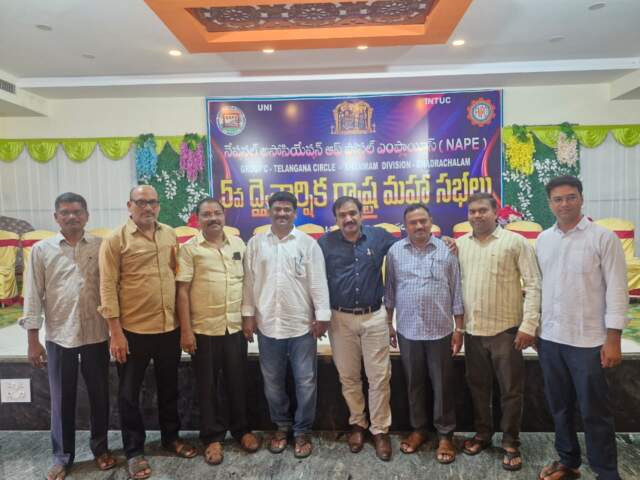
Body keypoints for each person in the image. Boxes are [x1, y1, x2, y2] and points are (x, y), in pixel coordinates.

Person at [99, 185, 196, 480]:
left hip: (168, 328)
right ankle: (134, 451)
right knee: (129, 394)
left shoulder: (169, 234)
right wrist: (115, 332)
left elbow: (175, 275)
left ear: (159, 206)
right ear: (129, 205)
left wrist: (184, 326)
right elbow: (107, 286)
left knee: (169, 388)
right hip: (133, 331)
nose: (147, 207)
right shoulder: (115, 240)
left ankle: (171, 438)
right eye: (141, 202)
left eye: (152, 202)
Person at [537, 176, 628, 480]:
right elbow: (541, 287)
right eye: (558, 199)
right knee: (559, 407)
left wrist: (613, 337)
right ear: (550, 203)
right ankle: (568, 461)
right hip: (551, 339)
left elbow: (617, 290)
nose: (564, 204)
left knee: (594, 411)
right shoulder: (543, 240)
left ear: (581, 199)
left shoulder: (603, 238)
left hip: (588, 341)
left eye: (571, 197)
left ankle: (606, 472)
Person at [20, 192, 115, 480]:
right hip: (60, 335)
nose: (72, 217)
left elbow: (111, 289)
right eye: (65, 212)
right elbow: (33, 295)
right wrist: (33, 340)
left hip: (97, 334)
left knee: (100, 396)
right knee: (62, 399)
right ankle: (62, 456)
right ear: (56, 217)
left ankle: (101, 449)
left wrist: (115, 331)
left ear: (87, 216)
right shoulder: (41, 250)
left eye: (77, 212)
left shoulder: (101, 246)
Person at [242, 191, 331, 458]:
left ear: (295, 213)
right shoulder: (256, 243)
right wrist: (248, 315)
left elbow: (318, 282)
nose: (282, 213)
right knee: (272, 382)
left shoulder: (307, 244)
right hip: (267, 325)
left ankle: (302, 430)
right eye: (277, 209)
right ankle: (281, 427)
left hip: (302, 325)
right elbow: (248, 282)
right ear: (269, 211)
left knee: (306, 381)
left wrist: (322, 316)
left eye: (287, 209)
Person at [456, 192, 541, 471]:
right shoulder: (460, 245)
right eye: (472, 211)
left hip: (507, 332)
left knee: (511, 391)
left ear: (495, 213)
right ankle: (483, 434)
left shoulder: (515, 242)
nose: (477, 215)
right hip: (473, 332)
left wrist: (529, 325)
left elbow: (534, 284)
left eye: (482, 210)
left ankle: (511, 442)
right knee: (478, 388)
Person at [176, 197, 260, 465]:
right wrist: (186, 331)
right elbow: (182, 291)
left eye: (217, 213)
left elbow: (247, 284)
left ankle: (242, 430)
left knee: (238, 382)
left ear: (224, 216)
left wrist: (248, 318)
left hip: (234, 327)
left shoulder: (239, 245)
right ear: (197, 219)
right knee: (207, 387)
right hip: (203, 330)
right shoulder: (189, 249)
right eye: (206, 214)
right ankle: (212, 437)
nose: (213, 218)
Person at [317, 196, 397, 461]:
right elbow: (314, 279)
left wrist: (444, 241)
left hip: (374, 317)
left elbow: (409, 247)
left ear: (362, 214)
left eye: (353, 213)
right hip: (340, 318)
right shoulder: (325, 243)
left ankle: (380, 429)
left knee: (379, 377)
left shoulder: (379, 237)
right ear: (336, 219)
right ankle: (358, 423)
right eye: (342, 215)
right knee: (348, 377)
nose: (348, 219)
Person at [384, 204, 464, 464]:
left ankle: (445, 434)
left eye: (423, 221)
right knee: (413, 383)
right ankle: (418, 429)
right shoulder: (395, 252)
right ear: (405, 226)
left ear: (431, 221)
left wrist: (459, 328)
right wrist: (388, 323)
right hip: (408, 330)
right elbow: (390, 291)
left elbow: (456, 290)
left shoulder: (447, 250)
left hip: (440, 330)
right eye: (413, 222)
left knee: (443, 385)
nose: (418, 226)